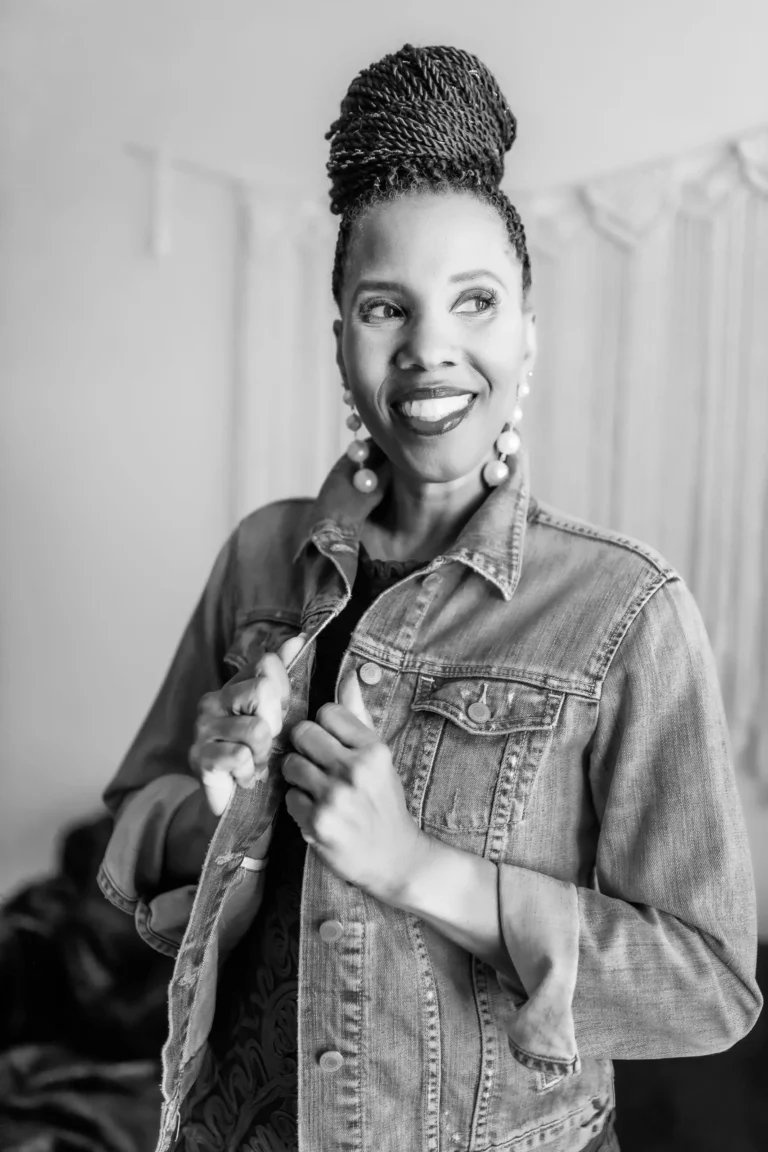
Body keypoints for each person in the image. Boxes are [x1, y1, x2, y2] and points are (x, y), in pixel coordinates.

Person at [98, 43, 762, 1152]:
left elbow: (709, 984)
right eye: (384, 307)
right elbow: (132, 832)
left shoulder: (623, 609)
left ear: (527, 334)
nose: (432, 352)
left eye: (475, 301)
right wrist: (223, 801)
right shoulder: (265, 558)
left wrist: (420, 869)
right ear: (340, 339)